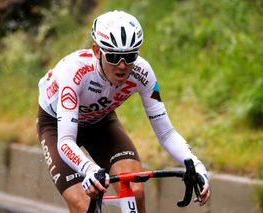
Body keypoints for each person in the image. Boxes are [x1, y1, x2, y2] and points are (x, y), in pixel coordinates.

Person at [37, 10, 210, 213]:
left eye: (129, 57)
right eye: (113, 56)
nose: (122, 66)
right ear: (96, 51)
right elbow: (66, 141)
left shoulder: (143, 73)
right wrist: (89, 169)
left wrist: (197, 166)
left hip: (101, 123)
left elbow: (166, 133)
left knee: (135, 192)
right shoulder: (73, 72)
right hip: (57, 126)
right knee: (83, 205)